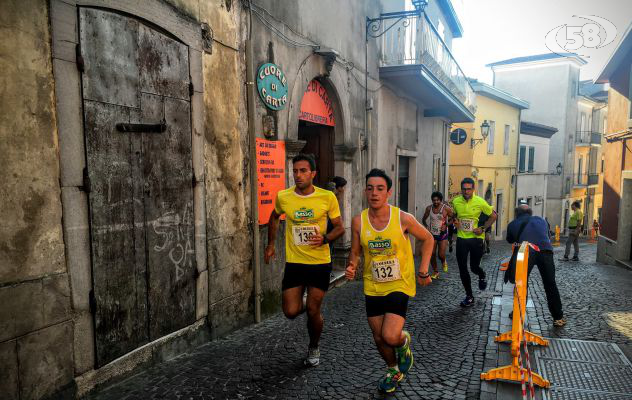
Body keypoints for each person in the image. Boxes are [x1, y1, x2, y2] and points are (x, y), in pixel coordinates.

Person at [345, 169, 434, 393]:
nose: (374, 193)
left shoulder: (403, 218)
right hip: (372, 285)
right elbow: (355, 251)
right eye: (370, 188)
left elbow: (428, 238)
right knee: (378, 337)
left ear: (389, 193)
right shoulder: (358, 222)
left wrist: (423, 269)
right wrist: (352, 265)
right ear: (365, 191)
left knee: (390, 335)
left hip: (399, 282)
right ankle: (393, 370)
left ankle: (403, 342)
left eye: (380, 189)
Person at [265, 153, 345, 367]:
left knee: (312, 310)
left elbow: (340, 227)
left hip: (319, 263)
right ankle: (307, 303)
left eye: (302, 171)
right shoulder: (284, 197)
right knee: (290, 312)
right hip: (295, 263)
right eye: (295, 171)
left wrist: (325, 238)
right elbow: (274, 216)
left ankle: (314, 346)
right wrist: (271, 245)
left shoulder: (327, 197)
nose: (298, 175)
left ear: (313, 174)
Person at [507, 204, 566, 327]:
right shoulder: (541, 220)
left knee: (521, 282)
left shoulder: (513, 224)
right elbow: (548, 236)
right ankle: (558, 317)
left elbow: (510, 239)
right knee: (550, 283)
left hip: (526, 252)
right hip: (545, 251)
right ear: (530, 212)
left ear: (517, 213)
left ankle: (518, 312)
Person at [451, 178, 497, 307]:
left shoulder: (480, 202)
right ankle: (469, 296)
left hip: (476, 239)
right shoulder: (456, 201)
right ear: (461, 189)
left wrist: (483, 228)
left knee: (474, 267)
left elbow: (494, 216)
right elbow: (454, 215)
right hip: (461, 239)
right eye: (464, 189)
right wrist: (455, 221)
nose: (466, 191)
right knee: (462, 269)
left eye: (469, 189)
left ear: (473, 189)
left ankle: (482, 274)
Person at [421, 192, 453, 279]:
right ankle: (436, 272)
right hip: (432, 234)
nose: (435, 202)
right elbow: (423, 219)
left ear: (441, 200)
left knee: (441, 254)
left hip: (442, 234)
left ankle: (443, 261)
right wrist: (426, 226)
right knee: (432, 253)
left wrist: (446, 225)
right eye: (434, 200)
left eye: (437, 200)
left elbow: (453, 218)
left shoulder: (446, 208)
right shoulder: (429, 208)